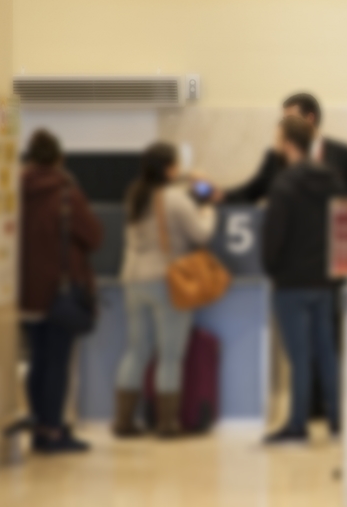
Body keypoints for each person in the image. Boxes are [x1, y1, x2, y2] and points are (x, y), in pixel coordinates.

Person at [113, 142, 216, 438]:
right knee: (170, 355)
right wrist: (208, 208)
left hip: (133, 279)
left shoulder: (134, 194)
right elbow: (202, 234)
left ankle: (123, 421)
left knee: (136, 350)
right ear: (170, 168)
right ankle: (167, 424)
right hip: (165, 281)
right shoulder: (175, 198)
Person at [262, 115, 346, 445]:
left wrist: (273, 270)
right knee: (327, 353)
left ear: (288, 144)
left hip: (292, 283)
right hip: (325, 281)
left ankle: (298, 424)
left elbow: (274, 237)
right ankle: (338, 422)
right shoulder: (333, 179)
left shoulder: (283, 184)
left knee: (299, 357)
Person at [18, 130, 103, 454]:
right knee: (57, 363)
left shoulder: (14, 188)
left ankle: (39, 425)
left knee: (37, 361)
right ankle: (52, 431)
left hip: (25, 291)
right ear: (59, 158)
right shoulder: (65, 192)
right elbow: (93, 236)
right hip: (59, 292)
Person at [220, 92, 347, 203]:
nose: (284, 125)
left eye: (289, 119)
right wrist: (220, 195)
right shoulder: (276, 156)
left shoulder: (342, 154)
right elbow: (251, 191)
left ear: (309, 119)